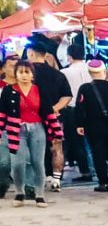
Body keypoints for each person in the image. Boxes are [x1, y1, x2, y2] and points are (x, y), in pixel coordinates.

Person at [2, 60, 64, 206]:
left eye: (27, 72)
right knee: (17, 163)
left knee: (38, 162)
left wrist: (56, 133)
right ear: (16, 74)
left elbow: (48, 113)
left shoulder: (39, 90)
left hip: (37, 128)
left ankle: (39, 194)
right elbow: (2, 113)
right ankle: (19, 192)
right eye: (21, 72)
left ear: (32, 75)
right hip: (16, 130)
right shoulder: (8, 91)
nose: (24, 75)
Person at [25, 36, 72, 192]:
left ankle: (39, 178)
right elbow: (67, 96)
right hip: (55, 117)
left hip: (32, 118)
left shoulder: (26, 76)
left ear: (31, 53)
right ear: (46, 55)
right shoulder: (58, 74)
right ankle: (57, 179)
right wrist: (55, 108)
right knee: (57, 147)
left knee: (33, 148)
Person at [75, 62, 108, 193]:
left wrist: (79, 124)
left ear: (90, 72)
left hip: (93, 126)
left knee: (98, 153)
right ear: (104, 71)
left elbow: (80, 108)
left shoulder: (85, 88)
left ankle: (103, 183)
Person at [60, 43, 93, 182]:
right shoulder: (92, 68)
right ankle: (97, 169)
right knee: (93, 141)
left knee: (77, 142)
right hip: (92, 108)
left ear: (69, 57)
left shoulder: (64, 72)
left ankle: (86, 171)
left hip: (72, 110)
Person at [0, 54, 14, 198]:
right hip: (4, 127)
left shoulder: (25, 85)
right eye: (10, 66)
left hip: (24, 127)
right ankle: (3, 184)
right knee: (4, 161)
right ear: (3, 69)